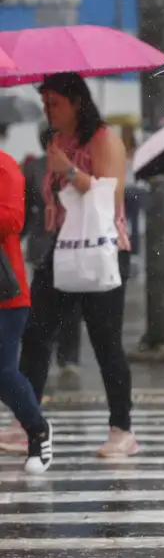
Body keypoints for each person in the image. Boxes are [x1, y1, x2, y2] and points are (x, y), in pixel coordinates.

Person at [0, 73, 137, 458]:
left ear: (77, 102)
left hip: (103, 249)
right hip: (61, 249)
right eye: (44, 104)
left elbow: (110, 196)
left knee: (105, 340)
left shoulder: (104, 139)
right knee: (37, 334)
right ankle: (24, 419)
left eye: (54, 103)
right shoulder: (56, 141)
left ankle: (122, 428)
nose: (48, 111)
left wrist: (71, 173)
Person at [0, 148, 53, 472]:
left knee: (4, 372)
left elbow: (14, 218)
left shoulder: (5, 166)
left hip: (6, 293)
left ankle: (37, 430)